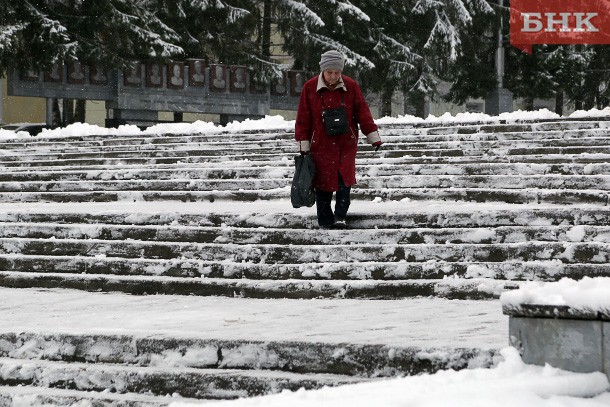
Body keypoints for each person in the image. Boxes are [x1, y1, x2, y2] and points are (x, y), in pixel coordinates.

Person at [295, 50, 382, 229]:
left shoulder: (351, 86)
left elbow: (362, 112)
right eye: (330, 72)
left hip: (346, 144)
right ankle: (325, 219)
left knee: (344, 181)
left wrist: (372, 135)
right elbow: (303, 118)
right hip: (320, 144)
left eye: (337, 72)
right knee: (322, 183)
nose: (333, 76)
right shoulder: (310, 88)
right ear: (323, 70)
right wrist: (303, 143)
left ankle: (341, 215)